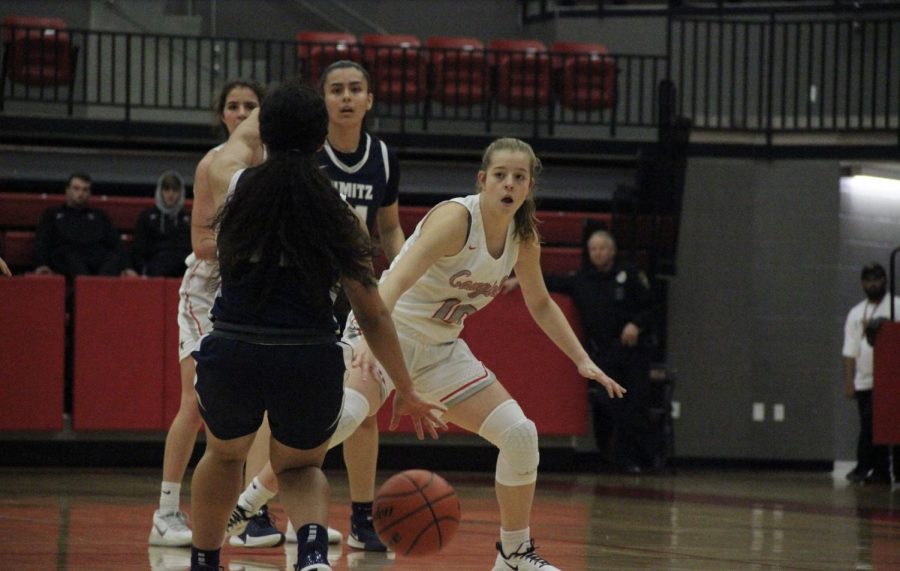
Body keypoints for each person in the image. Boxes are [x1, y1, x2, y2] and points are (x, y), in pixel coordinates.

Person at [328, 137, 626, 570]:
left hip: (440, 349)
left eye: (519, 177)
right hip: (388, 327)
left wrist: (580, 359)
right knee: (346, 417)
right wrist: (372, 339)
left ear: (529, 186)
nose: (509, 183)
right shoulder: (456, 219)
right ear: (483, 180)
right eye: (501, 175)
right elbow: (392, 280)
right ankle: (253, 501)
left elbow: (540, 303)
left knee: (521, 435)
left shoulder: (523, 237)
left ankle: (514, 554)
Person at [187, 79, 443, 571]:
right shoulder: (340, 213)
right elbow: (371, 310)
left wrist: (273, 118)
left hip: (235, 348)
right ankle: (310, 558)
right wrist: (406, 388)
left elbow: (238, 144)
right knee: (302, 466)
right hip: (307, 354)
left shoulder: (235, 182)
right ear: (320, 138)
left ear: (265, 132)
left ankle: (204, 560)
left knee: (222, 456)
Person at [226, 59, 406, 552]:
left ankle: (363, 517)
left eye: (355, 89)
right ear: (321, 101)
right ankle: (258, 511)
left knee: (364, 409)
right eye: (336, 90)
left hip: (354, 292)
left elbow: (387, 227)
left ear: (370, 99)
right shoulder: (302, 152)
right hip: (303, 295)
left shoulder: (383, 158)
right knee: (276, 412)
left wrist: (402, 270)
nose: (346, 98)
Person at [149, 79, 267, 549]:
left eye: (251, 106)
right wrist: (259, 247)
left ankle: (245, 516)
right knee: (197, 403)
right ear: (222, 115)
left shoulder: (276, 166)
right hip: (208, 290)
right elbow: (200, 242)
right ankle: (165, 511)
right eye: (233, 106)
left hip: (253, 290)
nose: (241, 113)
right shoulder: (213, 165)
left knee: (252, 410)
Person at [512, 230, 658, 474]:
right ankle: (615, 457)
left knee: (636, 404)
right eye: (593, 249)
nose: (598, 253)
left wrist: (637, 324)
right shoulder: (583, 279)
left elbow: (653, 306)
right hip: (603, 354)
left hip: (633, 353)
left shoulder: (630, 275)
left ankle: (643, 459)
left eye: (602, 248)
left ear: (612, 251)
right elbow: (553, 283)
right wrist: (522, 280)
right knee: (608, 403)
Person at [842, 262, 900, 485]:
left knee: (892, 426)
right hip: (865, 379)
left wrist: (884, 327)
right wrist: (849, 381)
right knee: (869, 427)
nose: (872, 284)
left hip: (892, 380)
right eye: (867, 280)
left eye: (876, 279)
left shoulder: (896, 306)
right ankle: (877, 470)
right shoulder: (856, 312)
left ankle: (894, 469)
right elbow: (849, 350)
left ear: (885, 280)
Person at [33, 173, 136, 279]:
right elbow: (42, 241)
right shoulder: (52, 214)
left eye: (85, 190)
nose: (80, 193)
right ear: (67, 190)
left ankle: (99, 290)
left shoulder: (100, 215)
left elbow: (115, 242)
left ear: (89, 193)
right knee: (70, 258)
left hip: (95, 256)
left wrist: (127, 267)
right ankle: (86, 291)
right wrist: (41, 264)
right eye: (76, 189)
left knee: (113, 258)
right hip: (66, 256)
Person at [132, 170, 192, 277]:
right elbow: (139, 248)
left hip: (183, 264)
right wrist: (143, 269)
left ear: (181, 192)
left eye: (175, 190)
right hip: (156, 265)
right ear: (160, 191)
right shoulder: (146, 217)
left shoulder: (188, 219)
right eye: (167, 189)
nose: (171, 194)